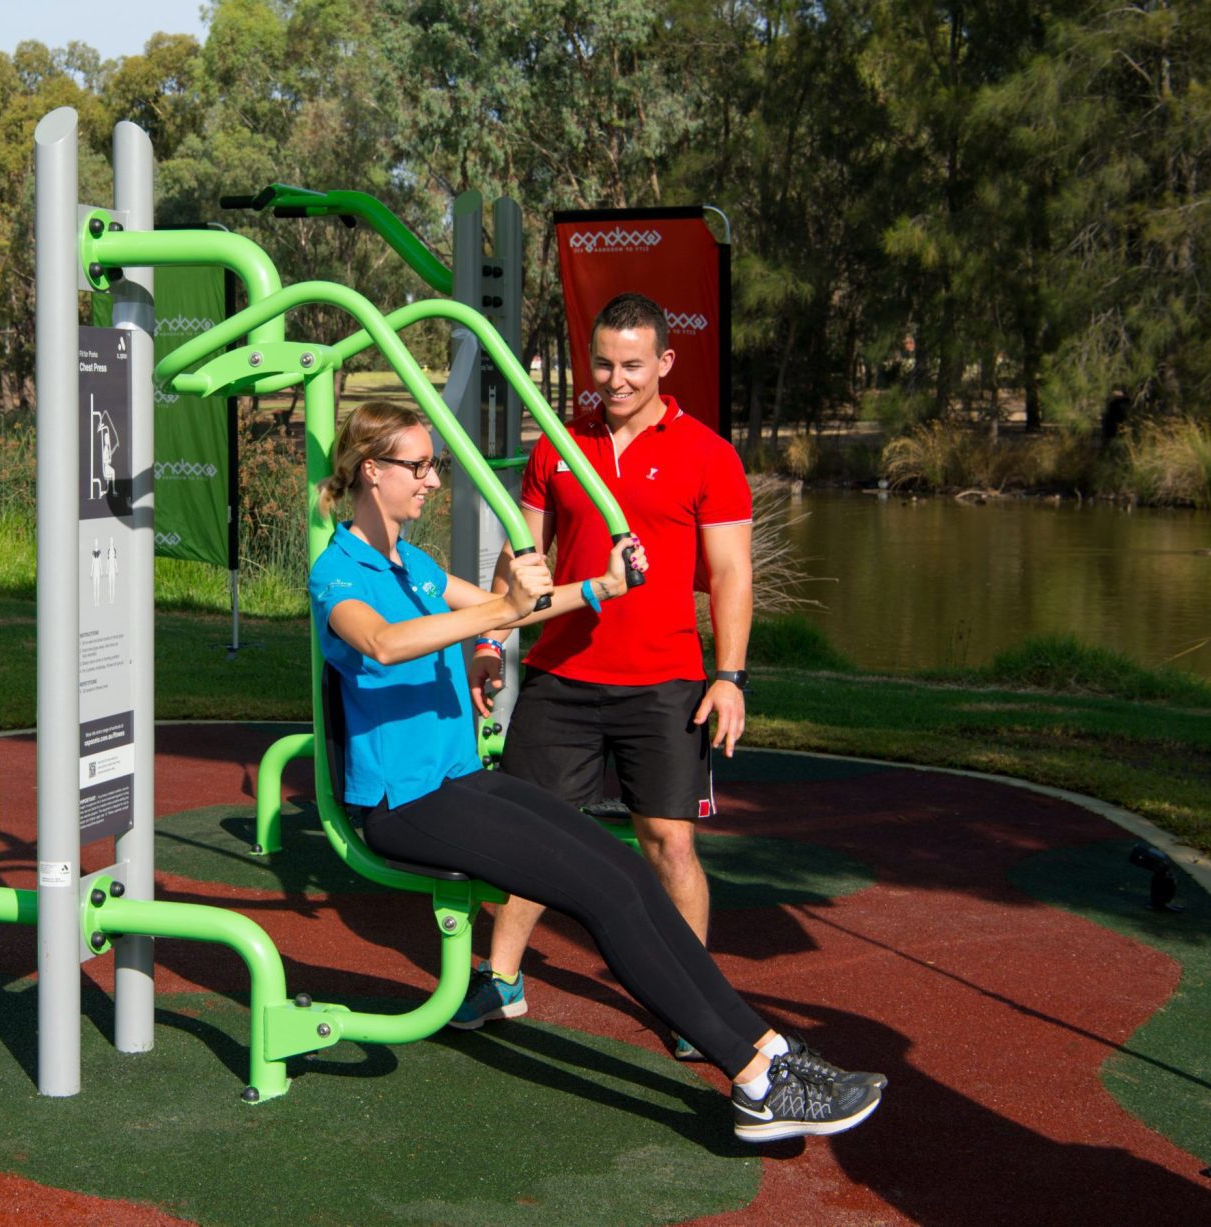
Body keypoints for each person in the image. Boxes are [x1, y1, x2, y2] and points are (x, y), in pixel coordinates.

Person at [308, 399, 883, 1143]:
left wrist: (598, 588)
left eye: (433, 465)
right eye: (418, 466)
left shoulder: (409, 562)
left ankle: (770, 1050)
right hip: (405, 802)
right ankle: (754, 1079)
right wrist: (497, 612)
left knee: (630, 872)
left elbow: (506, 608)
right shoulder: (337, 573)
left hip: (457, 781)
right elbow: (384, 643)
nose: (430, 481)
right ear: (370, 470)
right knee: (602, 892)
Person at [456, 293, 752, 1063]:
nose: (615, 380)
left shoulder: (708, 453)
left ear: (664, 362)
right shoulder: (558, 444)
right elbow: (521, 561)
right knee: (528, 837)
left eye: (631, 364)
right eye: (604, 364)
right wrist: (490, 638)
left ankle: (694, 1000)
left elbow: (730, 575)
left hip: (666, 682)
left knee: (670, 844)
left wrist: (730, 676)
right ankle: (502, 978)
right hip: (561, 674)